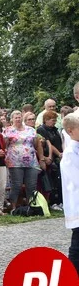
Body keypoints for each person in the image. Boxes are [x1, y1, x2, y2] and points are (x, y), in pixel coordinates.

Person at [5, 110, 39, 210]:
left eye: (19, 117)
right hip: (15, 161)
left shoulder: (31, 130)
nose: (18, 119)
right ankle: (13, 207)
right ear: (11, 119)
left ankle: (31, 206)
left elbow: (36, 144)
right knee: (16, 184)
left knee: (31, 184)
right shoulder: (8, 130)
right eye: (16, 117)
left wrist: (40, 158)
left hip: (31, 161)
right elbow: (5, 145)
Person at [60, 113, 79, 275]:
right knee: (77, 244)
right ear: (71, 131)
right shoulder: (70, 152)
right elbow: (75, 178)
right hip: (77, 204)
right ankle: (72, 280)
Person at [37, 110, 63, 211]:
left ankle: (59, 200)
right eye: (52, 120)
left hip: (57, 157)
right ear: (46, 120)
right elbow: (49, 144)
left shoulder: (54, 130)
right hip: (50, 157)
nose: (54, 122)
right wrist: (58, 154)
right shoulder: (42, 130)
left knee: (58, 180)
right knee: (51, 180)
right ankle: (53, 202)